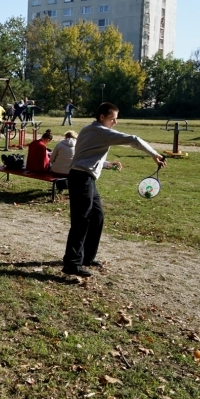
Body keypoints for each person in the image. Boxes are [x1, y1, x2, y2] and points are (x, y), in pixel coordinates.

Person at [62, 103, 165, 277]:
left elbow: (86, 155)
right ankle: (72, 263)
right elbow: (134, 139)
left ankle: (87, 257)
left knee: (97, 216)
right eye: (113, 119)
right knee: (81, 221)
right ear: (102, 117)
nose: (115, 122)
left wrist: (107, 164)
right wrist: (155, 155)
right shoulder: (101, 131)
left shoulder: (87, 130)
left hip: (84, 177)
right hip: (82, 179)